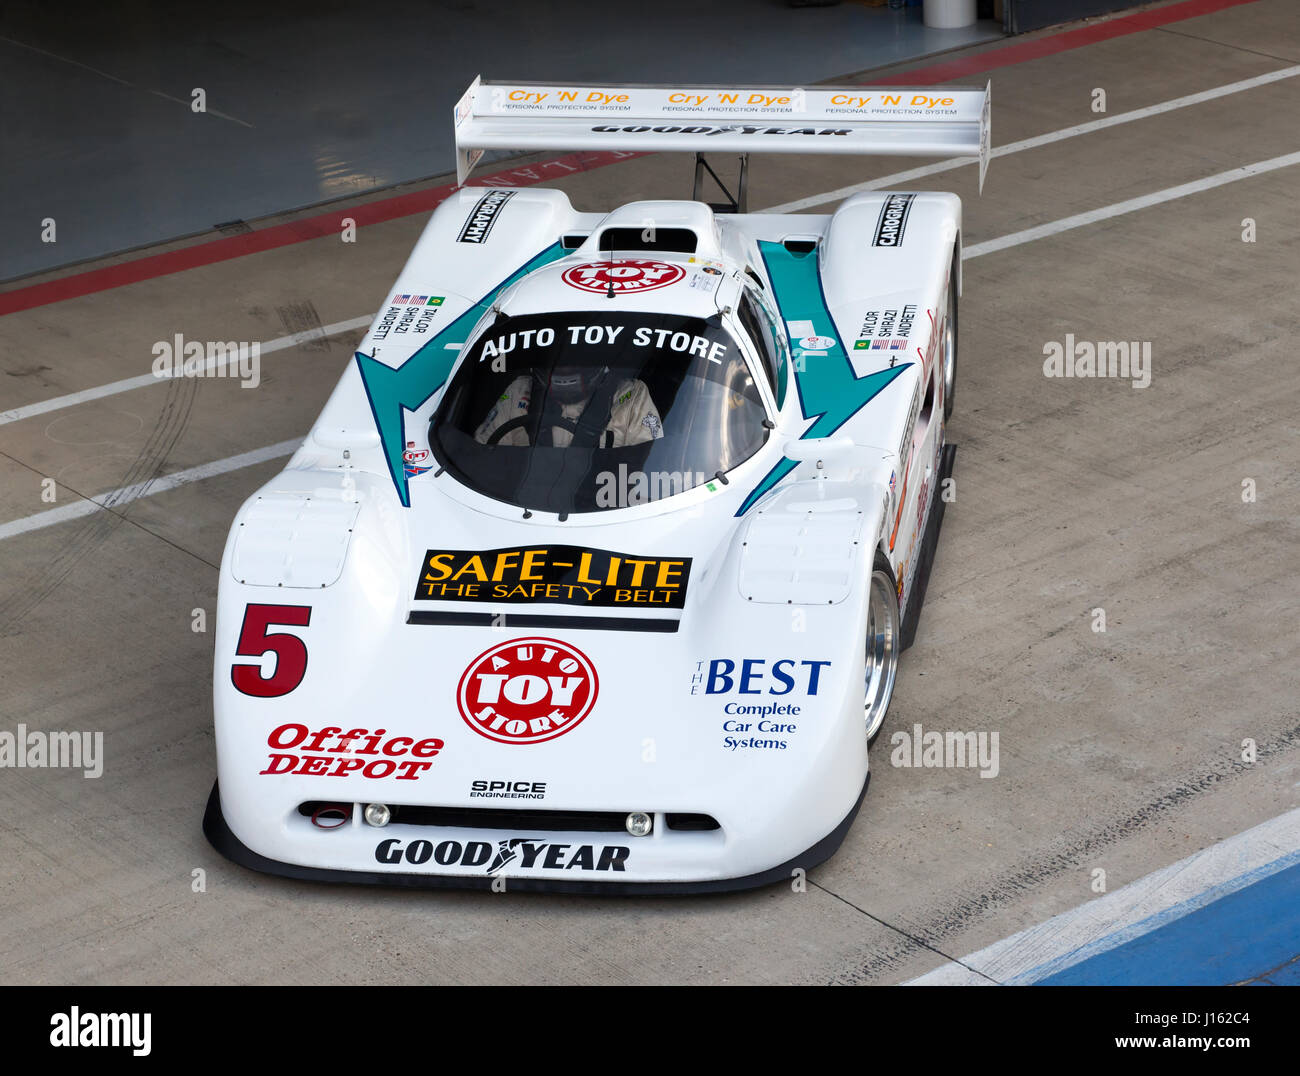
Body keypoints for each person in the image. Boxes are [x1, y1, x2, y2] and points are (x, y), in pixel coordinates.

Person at [475, 365, 663, 448]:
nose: (565, 371)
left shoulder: (631, 396)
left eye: (573, 366)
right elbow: (483, 456)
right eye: (559, 366)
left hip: (604, 512)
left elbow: (652, 465)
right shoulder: (519, 391)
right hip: (522, 508)